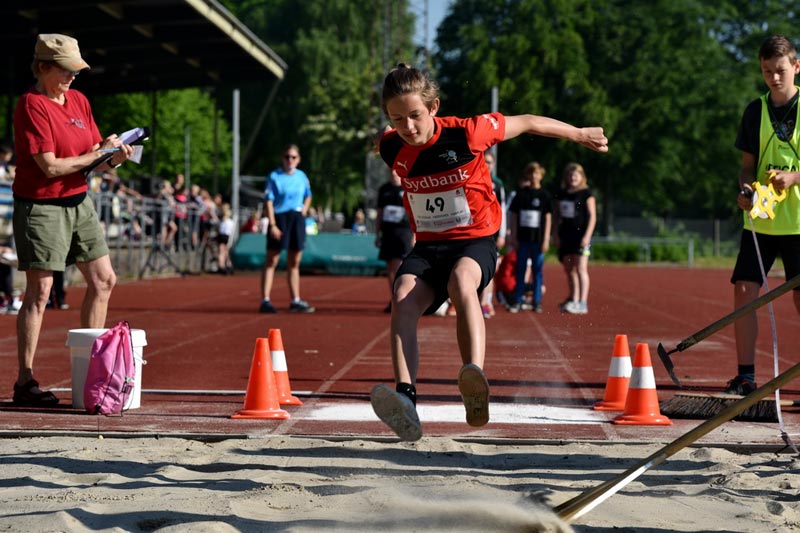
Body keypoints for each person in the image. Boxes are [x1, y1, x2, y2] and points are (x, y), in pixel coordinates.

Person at [370, 64, 608, 441]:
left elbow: (528, 121)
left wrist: (578, 134)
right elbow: (386, 139)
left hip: (474, 241)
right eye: (397, 119)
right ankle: (406, 398)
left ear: (434, 107)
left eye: (415, 116)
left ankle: (473, 378)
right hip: (429, 247)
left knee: (462, 281)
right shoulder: (391, 146)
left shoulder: (468, 132)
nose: (409, 128)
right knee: (401, 297)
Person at [11, 33, 133, 406]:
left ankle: (92, 371)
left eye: (76, 71)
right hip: (41, 204)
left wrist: (114, 155)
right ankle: (25, 381)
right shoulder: (31, 105)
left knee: (104, 279)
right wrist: (100, 154)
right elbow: (49, 167)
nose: (73, 78)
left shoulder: (78, 100)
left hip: (78, 201)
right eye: (66, 71)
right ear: (44, 67)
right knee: (40, 292)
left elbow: (92, 155)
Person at [729, 34, 800, 395]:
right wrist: (744, 190)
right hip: (761, 218)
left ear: (797, 67)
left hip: (799, 223)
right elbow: (746, 167)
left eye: (781, 70)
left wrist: (794, 177)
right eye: (768, 71)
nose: (775, 78)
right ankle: (745, 375)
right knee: (744, 291)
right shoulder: (754, 110)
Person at [259, 144, 315, 313]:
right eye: (287, 157)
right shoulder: (274, 176)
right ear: (282, 158)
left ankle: (295, 300)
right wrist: (273, 224)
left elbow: (308, 195)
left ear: (298, 160)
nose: (290, 160)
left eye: (293, 157)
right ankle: (265, 300)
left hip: (296, 218)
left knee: (294, 260)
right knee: (272, 259)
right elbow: (268, 200)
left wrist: (304, 211)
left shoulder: (302, 176)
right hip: (279, 217)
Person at [507, 162, 552, 313]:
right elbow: (513, 215)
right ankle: (518, 300)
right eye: (531, 173)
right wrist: (513, 235)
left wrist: (546, 239)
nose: (534, 176)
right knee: (520, 270)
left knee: (537, 270)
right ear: (527, 175)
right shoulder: (521, 194)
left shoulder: (544, 195)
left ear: (541, 175)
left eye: (537, 173)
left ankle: (536, 301)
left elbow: (548, 218)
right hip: (522, 239)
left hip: (538, 241)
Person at [553, 162, 596, 315]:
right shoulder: (562, 193)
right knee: (569, 269)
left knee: (580, 268)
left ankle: (582, 302)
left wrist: (587, 236)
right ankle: (573, 298)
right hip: (566, 235)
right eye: (570, 175)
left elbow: (592, 217)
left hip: (581, 236)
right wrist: (555, 234)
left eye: (576, 175)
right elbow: (557, 215)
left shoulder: (587, 194)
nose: (573, 178)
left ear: (581, 177)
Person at [375, 169, 414, 313]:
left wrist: (414, 234)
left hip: (404, 232)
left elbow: (414, 210)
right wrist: (376, 233)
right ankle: (394, 298)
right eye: (391, 170)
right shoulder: (384, 189)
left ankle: (402, 297)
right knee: (390, 267)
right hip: (388, 232)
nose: (393, 173)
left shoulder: (408, 186)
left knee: (399, 266)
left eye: (396, 170)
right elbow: (379, 213)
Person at [479, 151, 506, 318]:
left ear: (493, 164)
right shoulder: (472, 177)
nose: (487, 165)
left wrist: (502, 234)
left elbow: (503, 209)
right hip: (475, 230)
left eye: (489, 162)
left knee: (489, 268)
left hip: (493, 230)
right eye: (484, 161)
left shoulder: (498, 184)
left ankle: (486, 301)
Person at [216, 203, 235, 275]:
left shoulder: (222, 221)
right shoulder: (229, 222)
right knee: (225, 252)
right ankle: (224, 266)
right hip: (226, 237)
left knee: (223, 252)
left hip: (223, 236)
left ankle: (223, 266)